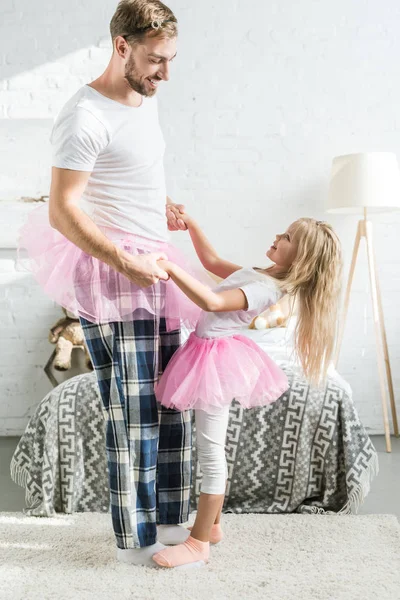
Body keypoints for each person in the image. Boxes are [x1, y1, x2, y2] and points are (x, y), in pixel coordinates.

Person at [17, 0, 211, 568]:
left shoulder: (143, 97)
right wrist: (125, 260)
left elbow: (126, 176)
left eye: (171, 60)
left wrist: (158, 209)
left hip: (158, 268)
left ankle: (172, 530)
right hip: (117, 279)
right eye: (156, 61)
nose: (166, 74)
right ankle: (135, 544)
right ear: (121, 47)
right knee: (135, 415)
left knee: (173, 405)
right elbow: (63, 210)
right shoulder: (84, 116)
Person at [150, 208, 343, 568]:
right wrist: (192, 224)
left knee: (210, 451)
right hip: (205, 353)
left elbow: (212, 301)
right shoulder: (261, 273)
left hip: (215, 363)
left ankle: (198, 543)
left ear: (299, 256)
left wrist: (170, 268)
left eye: (287, 238)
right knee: (209, 446)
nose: (278, 237)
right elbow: (213, 261)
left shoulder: (265, 289)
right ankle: (215, 525)